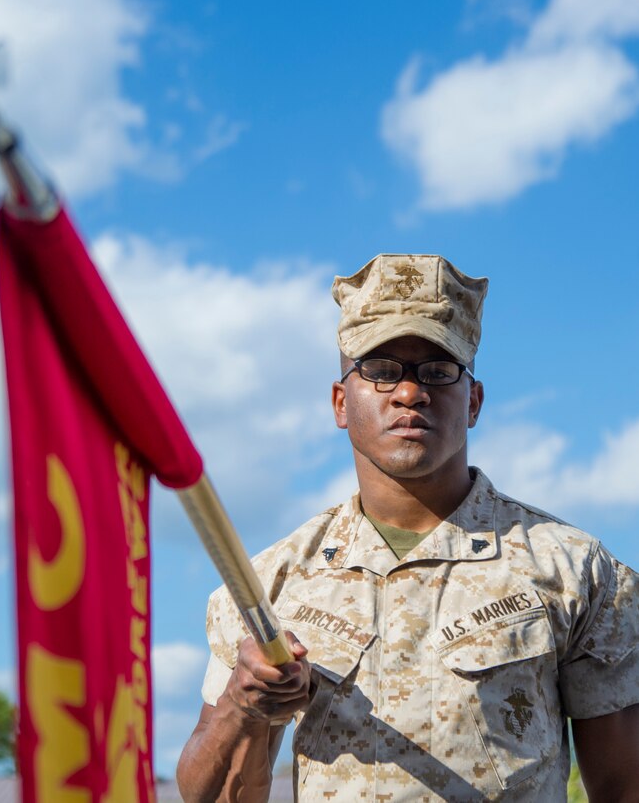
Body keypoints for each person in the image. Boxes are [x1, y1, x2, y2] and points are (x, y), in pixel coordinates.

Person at [176, 253, 639, 802]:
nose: (410, 392)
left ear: (473, 401)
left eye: (439, 371)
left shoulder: (574, 571)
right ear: (341, 402)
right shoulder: (266, 586)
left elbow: (623, 783)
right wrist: (243, 705)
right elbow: (212, 796)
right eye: (381, 369)